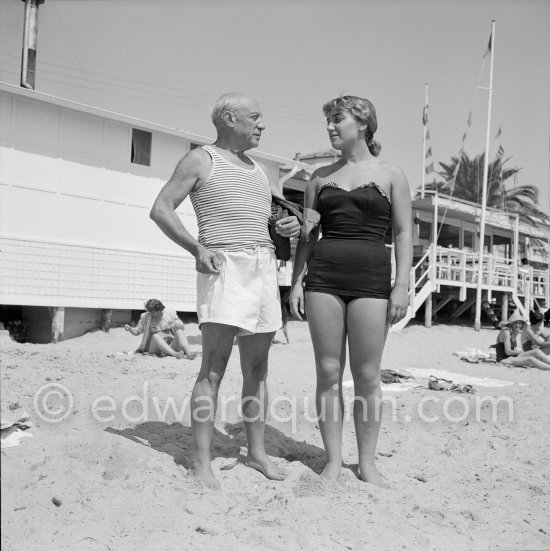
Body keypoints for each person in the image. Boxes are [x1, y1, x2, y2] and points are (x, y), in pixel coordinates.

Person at [149, 92, 301, 488]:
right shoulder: (201, 159)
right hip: (226, 267)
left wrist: (286, 227)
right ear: (229, 119)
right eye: (256, 117)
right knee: (213, 367)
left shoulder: (259, 170)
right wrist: (196, 248)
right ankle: (201, 462)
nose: (262, 124)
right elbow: (161, 208)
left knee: (259, 369)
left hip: (264, 265)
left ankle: (257, 453)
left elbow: (269, 220)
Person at [289, 95, 413, 486]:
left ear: (362, 123)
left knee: (367, 376)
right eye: (327, 121)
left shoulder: (392, 173)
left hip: (373, 282)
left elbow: (404, 232)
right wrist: (295, 282)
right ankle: (333, 461)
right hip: (323, 278)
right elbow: (308, 237)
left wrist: (402, 286)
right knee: (327, 371)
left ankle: (368, 462)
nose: (329, 128)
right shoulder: (318, 178)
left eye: (336, 120)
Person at [124, 299, 196, 359]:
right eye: (149, 311)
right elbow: (137, 331)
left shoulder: (170, 313)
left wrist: (171, 325)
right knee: (155, 335)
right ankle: (175, 354)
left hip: (169, 344)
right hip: (154, 347)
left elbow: (181, 326)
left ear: (160, 310)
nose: (151, 314)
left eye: (153, 312)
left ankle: (188, 354)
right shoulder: (145, 316)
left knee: (180, 331)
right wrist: (130, 329)